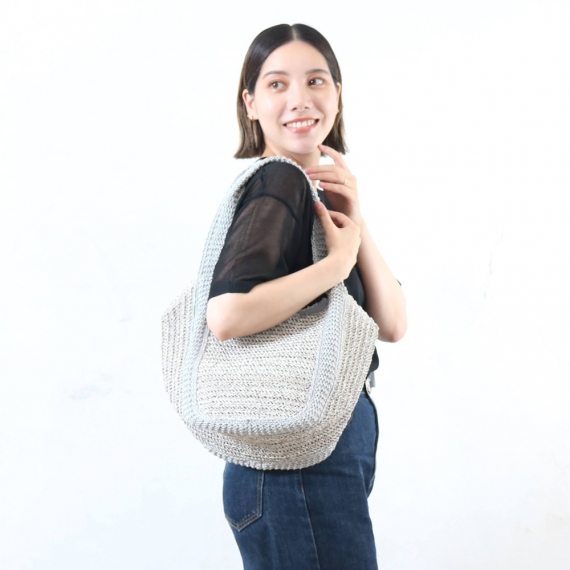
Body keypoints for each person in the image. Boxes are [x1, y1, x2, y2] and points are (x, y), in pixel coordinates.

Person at [206, 23, 407, 570]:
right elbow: (226, 314)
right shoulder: (279, 183)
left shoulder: (314, 191)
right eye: (277, 84)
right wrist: (336, 265)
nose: (300, 99)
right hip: (295, 466)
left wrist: (355, 221)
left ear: (337, 94)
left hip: (323, 450)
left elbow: (392, 324)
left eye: (316, 81)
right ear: (250, 104)